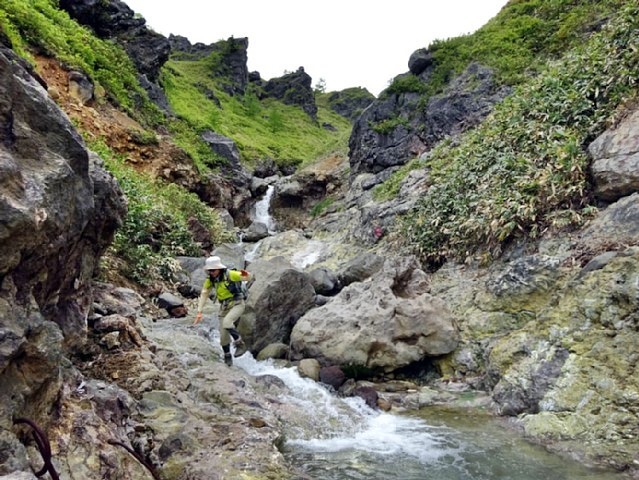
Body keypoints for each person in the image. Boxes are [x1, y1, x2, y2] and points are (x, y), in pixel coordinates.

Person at [193, 256, 252, 366]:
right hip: (224, 308)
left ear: (219, 269)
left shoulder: (231, 274)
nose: (211, 273)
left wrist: (244, 274)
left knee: (227, 323)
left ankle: (240, 344)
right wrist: (199, 311)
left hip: (237, 304)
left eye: (213, 270)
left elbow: (249, 277)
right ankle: (227, 356)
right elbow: (204, 293)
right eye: (209, 271)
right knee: (223, 337)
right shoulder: (211, 280)